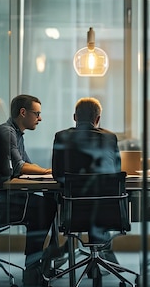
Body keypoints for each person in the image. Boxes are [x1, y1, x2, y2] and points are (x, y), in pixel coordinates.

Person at [0, 94, 59, 287]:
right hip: (0, 200)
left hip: (7, 196)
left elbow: (27, 164)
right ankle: (34, 265)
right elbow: (20, 167)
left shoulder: (16, 134)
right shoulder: (7, 132)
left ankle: (41, 260)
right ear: (23, 113)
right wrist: (49, 171)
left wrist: (44, 171)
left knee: (48, 202)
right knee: (45, 207)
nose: (40, 118)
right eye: (36, 113)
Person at [52, 97, 122, 264]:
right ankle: (102, 250)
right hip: (106, 212)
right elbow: (116, 172)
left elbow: (57, 174)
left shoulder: (61, 137)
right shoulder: (110, 138)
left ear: (74, 117)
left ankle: (54, 253)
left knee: (50, 199)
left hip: (73, 213)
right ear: (97, 119)